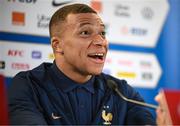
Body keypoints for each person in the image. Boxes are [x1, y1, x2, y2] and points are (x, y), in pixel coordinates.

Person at [8, 3, 156, 125]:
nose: (100, 41)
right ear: (57, 45)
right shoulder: (28, 86)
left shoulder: (121, 92)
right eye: (85, 32)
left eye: (103, 33)